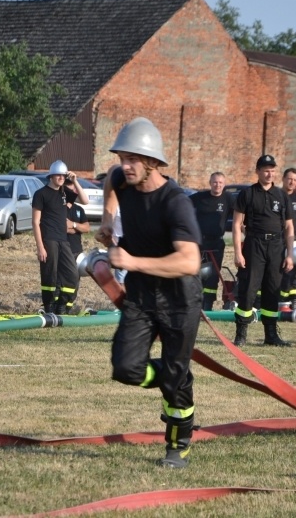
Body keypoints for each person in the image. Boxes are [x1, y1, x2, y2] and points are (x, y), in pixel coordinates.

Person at [94, 117, 202, 469]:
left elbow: (189, 261)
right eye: (122, 158)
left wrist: (132, 261)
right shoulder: (121, 180)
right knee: (125, 367)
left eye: (132, 160)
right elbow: (110, 182)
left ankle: (178, 445)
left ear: (152, 162)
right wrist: (107, 220)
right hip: (142, 295)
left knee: (175, 380)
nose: (125, 166)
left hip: (179, 299)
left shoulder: (175, 203)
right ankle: (174, 374)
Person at [232, 154, 295, 347]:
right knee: (249, 289)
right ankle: (241, 333)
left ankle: (270, 335)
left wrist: (290, 254)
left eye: (272, 170)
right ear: (258, 171)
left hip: (276, 247)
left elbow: (289, 227)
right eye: (266, 170)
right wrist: (238, 252)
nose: (270, 173)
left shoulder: (281, 195)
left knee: (272, 290)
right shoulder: (247, 194)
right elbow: (236, 225)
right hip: (254, 245)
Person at [32, 160, 88, 315]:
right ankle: (49, 307)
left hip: (63, 240)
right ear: (51, 176)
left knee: (72, 274)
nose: (61, 178)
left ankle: (62, 305)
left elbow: (85, 200)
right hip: (48, 239)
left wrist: (75, 181)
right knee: (50, 274)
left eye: (63, 176)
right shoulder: (41, 194)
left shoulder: (64, 193)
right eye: (58, 175)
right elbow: (35, 222)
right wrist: (40, 247)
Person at [189, 171, 233, 310]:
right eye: (215, 182)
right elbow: (182, 204)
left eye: (220, 182)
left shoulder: (229, 199)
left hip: (217, 243)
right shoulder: (199, 197)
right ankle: (196, 304)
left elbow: (241, 213)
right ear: (210, 183)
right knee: (197, 273)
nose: (217, 185)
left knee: (213, 275)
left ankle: (208, 304)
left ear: (224, 184)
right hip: (200, 243)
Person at [278, 168, 296, 310]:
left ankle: (294, 299)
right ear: (283, 179)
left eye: (295, 180)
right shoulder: (275, 195)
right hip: (277, 240)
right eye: (290, 179)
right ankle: (277, 299)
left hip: (293, 240)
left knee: (291, 272)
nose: (292, 182)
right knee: (276, 271)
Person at [65, 192, 91, 312]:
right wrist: (77, 229)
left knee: (75, 281)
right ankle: (59, 307)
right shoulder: (59, 208)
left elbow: (87, 228)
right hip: (63, 249)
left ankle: (68, 307)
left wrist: (73, 225)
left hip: (77, 251)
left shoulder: (79, 209)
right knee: (63, 280)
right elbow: (62, 228)